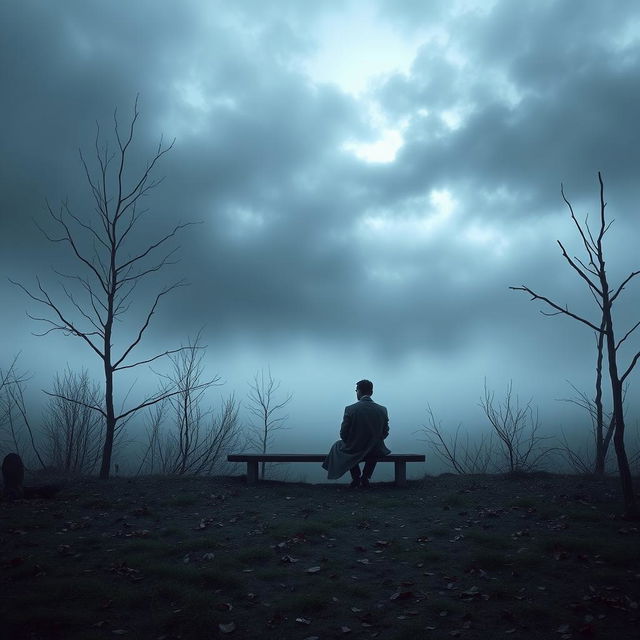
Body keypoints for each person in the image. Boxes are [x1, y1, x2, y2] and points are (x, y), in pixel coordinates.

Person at [322, 379, 390, 487]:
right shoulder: (382, 409)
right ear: (371, 392)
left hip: (355, 448)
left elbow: (343, 434)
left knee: (339, 446)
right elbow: (385, 432)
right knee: (374, 445)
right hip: (375, 449)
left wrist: (353, 441)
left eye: (356, 390)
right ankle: (365, 477)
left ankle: (356, 477)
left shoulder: (350, 409)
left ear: (358, 391)